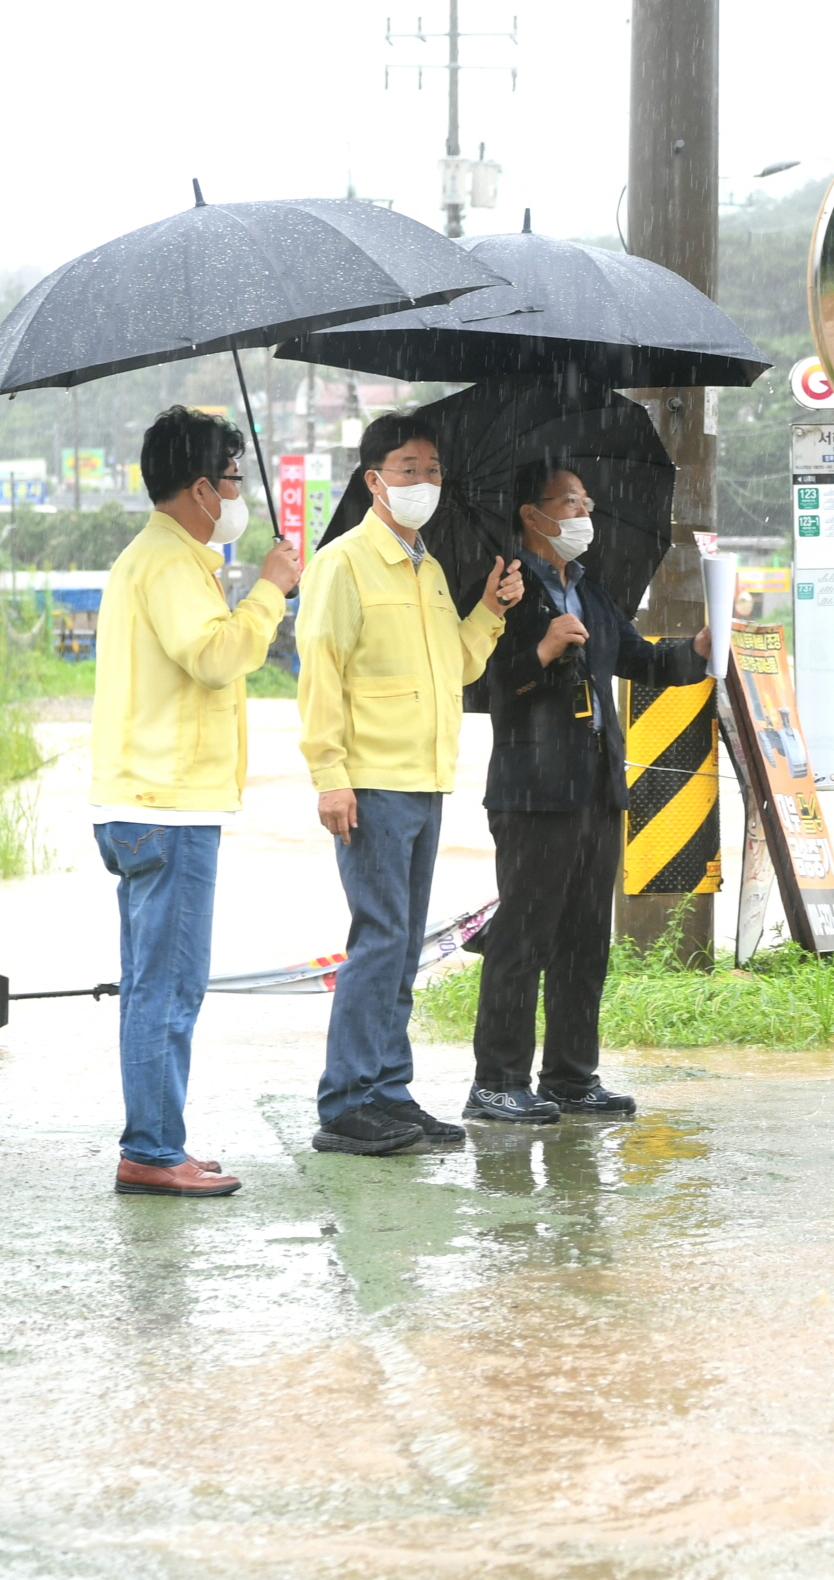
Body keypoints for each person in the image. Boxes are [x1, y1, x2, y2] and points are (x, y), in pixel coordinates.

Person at [91, 407, 303, 1197]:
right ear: (200, 488)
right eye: (233, 479)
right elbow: (216, 656)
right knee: (168, 987)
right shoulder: (173, 563)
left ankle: (158, 1137)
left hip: (140, 800)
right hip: (167, 806)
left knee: (154, 982)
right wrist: (272, 590)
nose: (240, 492)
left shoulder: (164, 560)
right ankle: (151, 1148)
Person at [297, 412, 519, 1155]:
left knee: (400, 945)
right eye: (407, 469)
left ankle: (388, 1090)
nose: (423, 482)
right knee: (380, 938)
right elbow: (320, 673)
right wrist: (330, 776)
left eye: (432, 470)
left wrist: (489, 611)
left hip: (424, 780)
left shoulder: (427, 569)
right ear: (373, 481)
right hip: (371, 780)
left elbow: (452, 668)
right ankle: (347, 1100)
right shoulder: (342, 563)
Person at [467, 462, 712, 1123]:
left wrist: (699, 649)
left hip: (599, 790)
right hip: (533, 791)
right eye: (570, 503)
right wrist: (541, 652)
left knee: (583, 941)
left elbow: (644, 661)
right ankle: (497, 1081)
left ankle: (571, 1077)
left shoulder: (594, 593)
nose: (584, 515)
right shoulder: (503, 588)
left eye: (588, 503)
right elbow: (482, 688)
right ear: (531, 514)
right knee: (524, 939)